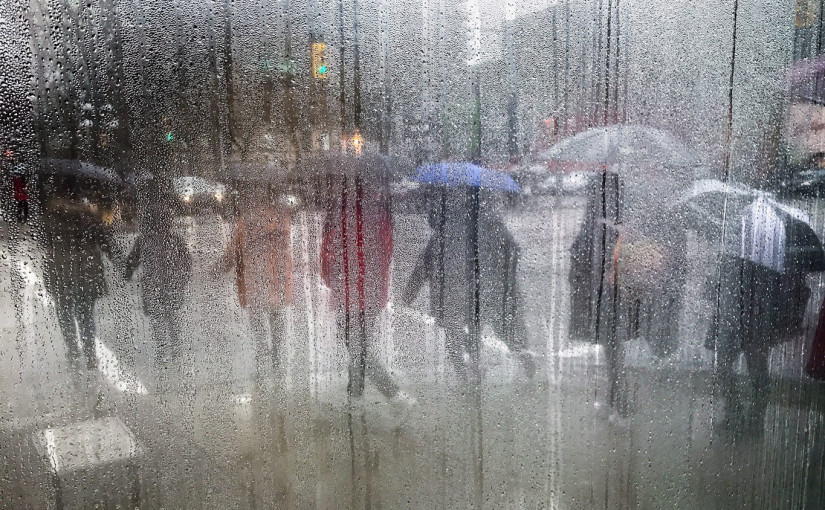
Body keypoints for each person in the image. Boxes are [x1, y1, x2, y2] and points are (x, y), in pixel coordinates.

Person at [402, 186, 535, 382]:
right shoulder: (492, 223)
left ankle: (466, 373)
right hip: (485, 290)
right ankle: (518, 355)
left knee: (455, 332)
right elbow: (513, 252)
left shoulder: (445, 227)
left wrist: (409, 293)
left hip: (454, 293)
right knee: (492, 326)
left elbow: (425, 262)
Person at [320, 172, 408, 402]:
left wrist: (332, 281)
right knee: (361, 347)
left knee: (357, 349)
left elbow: (328, 255)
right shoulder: (381, 214)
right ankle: (355, 398)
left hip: (345, 293)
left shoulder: (337, 215)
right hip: (372, 293)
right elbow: (386, 254)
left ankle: (395, 397)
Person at [40, 178, 122, 375]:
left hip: (59, 271)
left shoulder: (51, 217)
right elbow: (106, 243)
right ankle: (89, 351)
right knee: (85, 314)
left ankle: (72, 349)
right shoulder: (88, 216)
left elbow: (44, 243)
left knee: (64, 312)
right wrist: (123, 264)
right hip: (87, 271)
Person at [219, 186, 294, 381]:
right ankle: (277, 360)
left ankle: (263, 360)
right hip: (279, 279)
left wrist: (216, 270)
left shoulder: (249, 221)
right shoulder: (283, 218)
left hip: (257, 279)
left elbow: (233, 251)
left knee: (259, 323)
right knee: (276, 319)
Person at [125, 192, 192, 367]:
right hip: (169, 284)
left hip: (154, 285)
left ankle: (164, 350)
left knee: (159, 319)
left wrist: (127, 273)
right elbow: (187, 262)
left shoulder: (144, 240)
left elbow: (132, 260)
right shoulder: (174, 240)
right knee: (170, 317)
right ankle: (175, 348)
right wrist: (183, 279)